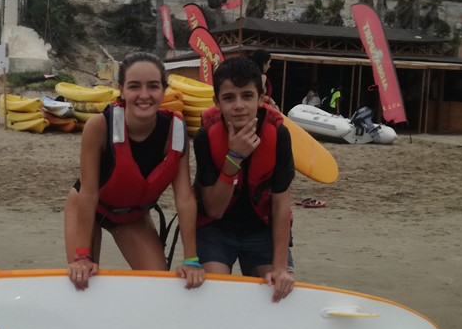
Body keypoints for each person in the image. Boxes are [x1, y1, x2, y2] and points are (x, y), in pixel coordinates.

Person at [64, 51, 204, 291]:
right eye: (134, 86)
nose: (144, 95)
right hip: (88, 208)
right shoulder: (98, 126)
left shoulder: (176, 131)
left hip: (132, 217)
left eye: (153, 86)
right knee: (82, 282)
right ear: (121, 90)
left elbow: (184, 198)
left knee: (157, 284)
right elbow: (88, 193)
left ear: (164, 89)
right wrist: (82, 256)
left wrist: (191, 259)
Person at [193, 56, 296, 302]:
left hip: (262, 229)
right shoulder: (205, 137)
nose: (238, 105)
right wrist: (234, 158)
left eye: (247, 96)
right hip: (217, 230)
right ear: (216, 102)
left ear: (261, 100)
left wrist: (280, 268)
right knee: (214, 294)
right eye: (229, 98)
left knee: (277, 291)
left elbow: (281, 204)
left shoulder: (279, 134)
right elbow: (214, 210)